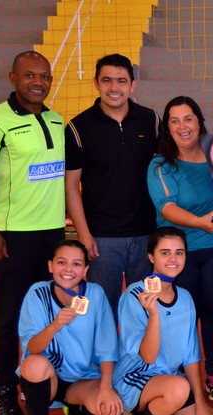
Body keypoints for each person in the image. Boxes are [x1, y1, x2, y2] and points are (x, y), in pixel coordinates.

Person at [0, 51, 66, 415]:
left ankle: (40, 381)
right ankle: (5, 392)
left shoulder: (57, 120)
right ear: (13, 78)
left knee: (49, 316)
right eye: (29, 76)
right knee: (7, 319)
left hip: (53, 236)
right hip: (12, 238)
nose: (38, 82)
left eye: (44, 76)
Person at [146, 96, 213, 402]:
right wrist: (199, 222)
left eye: (188, 118)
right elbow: (166, 207)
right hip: (177, 257)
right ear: (167, 128)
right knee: (180, 316)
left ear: (199, 121)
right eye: (175, 120)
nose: (183, 126)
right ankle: (178, 373)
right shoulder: (160, 165)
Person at [65, 53, 160, 319]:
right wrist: (83, 235)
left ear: (133, 85)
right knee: (101, 312)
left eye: (121, 81)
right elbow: (71, 185)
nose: (114, 88)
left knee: (143, 309)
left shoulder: (150, 121)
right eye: (107, 80)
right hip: (101, 239)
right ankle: (103, 361)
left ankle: (139, 361)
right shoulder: (78, 127)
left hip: (145, 236)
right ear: (96, 83)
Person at [113, 227, 213, 415]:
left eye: (179, 253)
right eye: (165, 253)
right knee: (178, 388)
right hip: (134, 378)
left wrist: (201, 403)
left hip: (169, 382)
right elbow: (148, 357)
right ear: (151, 256)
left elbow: (191, 357)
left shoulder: (185, 297)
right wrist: (153, 314)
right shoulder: (135, 295)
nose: (173, 259)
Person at [18, 240, 122, 415]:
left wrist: (106, 388)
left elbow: (107, 346)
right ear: (50, 266)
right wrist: (55, 325)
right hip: (49, 378)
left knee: (110, 413)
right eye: (61, 262)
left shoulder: (95, 294)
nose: (68, 269)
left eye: (76, 264)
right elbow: (32, 347)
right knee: (34, 365)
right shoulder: (38, 293)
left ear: (85, 270)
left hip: (83, 380)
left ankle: (73, 409)